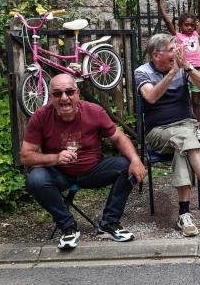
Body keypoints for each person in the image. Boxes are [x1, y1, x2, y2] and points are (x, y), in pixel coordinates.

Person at [21, 74, 146, 250]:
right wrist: (55, 158)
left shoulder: (94, 111)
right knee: (35, 179)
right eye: (57, 94)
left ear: (77, 93)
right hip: (59, 174)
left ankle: (109, 223)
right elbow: (26, 156)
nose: (64, 98)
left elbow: (118, 137)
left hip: (92, 171)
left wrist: (135, 159)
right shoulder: (41, 116)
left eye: (69, 92)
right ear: (50, 97)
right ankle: (68, 227)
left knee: (126, 166)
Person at [136, 33, 200, 238]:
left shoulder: (183, 67)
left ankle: (184, 214)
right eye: (172, 49)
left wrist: (187, 66)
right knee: (187, 139)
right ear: (156, 55)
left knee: (183, 147)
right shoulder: (142, 72)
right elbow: (151, 97)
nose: (177, 52)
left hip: (185, 127)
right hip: (158, 133)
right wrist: (172, 73)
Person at [156, 0, 200, 139]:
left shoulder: (196, 35)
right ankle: (183, 125)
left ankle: (197, 127)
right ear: (180, 26)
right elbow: (167, 21)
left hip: (196, 70)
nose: (190, 27)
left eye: (192, 25)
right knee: (182, 99)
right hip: (181, 71)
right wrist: (159, 4)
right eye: (187, 25)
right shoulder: (178, 36)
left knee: (196, 101)